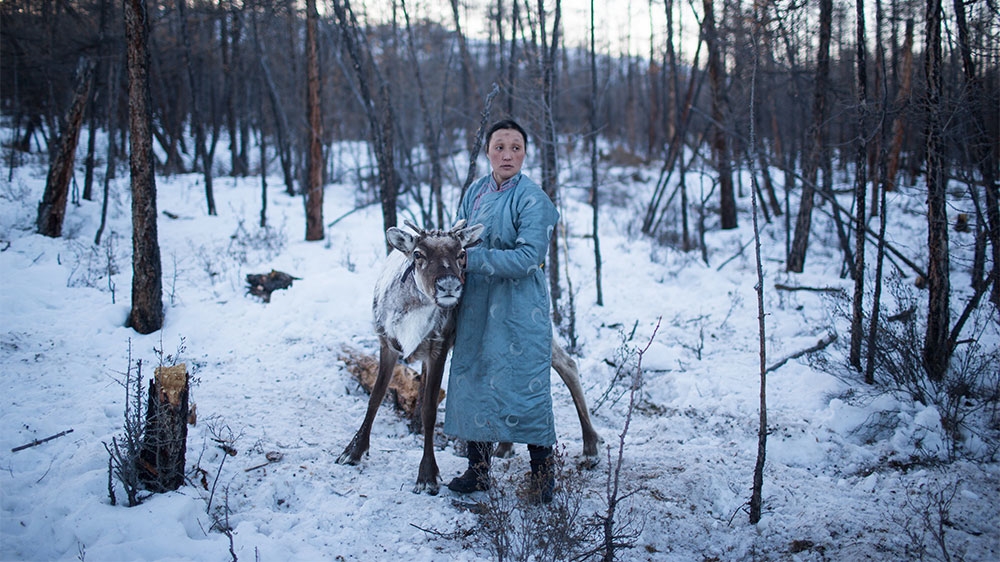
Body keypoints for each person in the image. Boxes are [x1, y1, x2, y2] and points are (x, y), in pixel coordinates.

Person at [443, 119, 560, 503]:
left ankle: (543, 475)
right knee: (475, 378)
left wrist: (472, 259)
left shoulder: (532, 199)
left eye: (516, 147)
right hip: (477, 303)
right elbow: (457, 239)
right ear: (487, 152)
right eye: (499, 146)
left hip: (519, 307)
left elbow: (529, 257)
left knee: (525, 384)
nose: (507, 154)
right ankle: (478, 472)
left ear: (525, 153)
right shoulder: (475, 192)